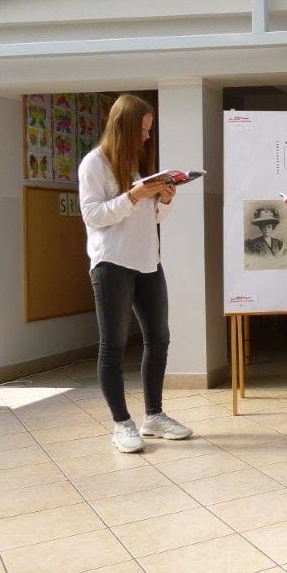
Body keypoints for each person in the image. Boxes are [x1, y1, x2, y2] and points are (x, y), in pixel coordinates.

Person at [78, 94, 192, 453]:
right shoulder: (94, 164)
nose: (147, 136)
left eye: (149, 129)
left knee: (159, 338)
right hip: (111, 263)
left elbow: (153, 217)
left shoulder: (138, 165)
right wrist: (133, 196)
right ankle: (121, 424)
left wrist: (165, 199)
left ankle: (153, 416)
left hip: (147, 262)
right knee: (112, 345)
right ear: (124, 125)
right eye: (143, 129)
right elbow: (93, 215)